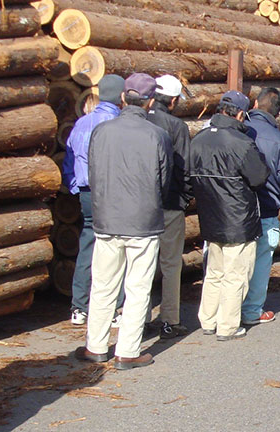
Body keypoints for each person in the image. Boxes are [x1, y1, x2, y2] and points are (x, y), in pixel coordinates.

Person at [76, 73, 172, 370]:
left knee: (103, 285)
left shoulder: (101, 131)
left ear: (123, 98)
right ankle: (128, 350)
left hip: (107, 218)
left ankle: (96, 345)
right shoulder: (157, 135)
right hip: (143, 221)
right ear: (150, 101)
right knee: (137, 287)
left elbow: (93, 174)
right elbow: (164, 181)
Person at [190, 91, 270, 341]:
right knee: (236, 274)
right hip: (238, 218)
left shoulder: (199, 139)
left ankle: (208, 319)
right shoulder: (241, 143)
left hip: (210, 215)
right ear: (239, 114)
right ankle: (227, 326)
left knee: (214, 272)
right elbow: (259, 177)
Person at [63, 75, 124, 326]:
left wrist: (75, 187)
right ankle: (114, 308)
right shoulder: (117, 122)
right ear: (121, 96)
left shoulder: (81, 123)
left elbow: (69, 160)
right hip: (111, 192)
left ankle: (79, 307)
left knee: (88, 243)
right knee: (115, 247)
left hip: (87, 193)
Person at [242, 87, 280, 325]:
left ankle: (223, 313)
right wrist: (277, 195)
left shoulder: (240, 130)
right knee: (261, 262)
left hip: (236, 210)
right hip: (267, 209)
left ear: (255, 103)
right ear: (279, 112)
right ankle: (252, 310)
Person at [145, 74, 193, 339]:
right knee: (171, 263)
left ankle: (139, 320)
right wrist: (185, 198)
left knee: (141, 264)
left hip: (140, 205)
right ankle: (169, 320)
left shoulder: (140, 120)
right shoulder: (176, 126)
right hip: (170, 203)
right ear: (173, 100)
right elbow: (185, 167)